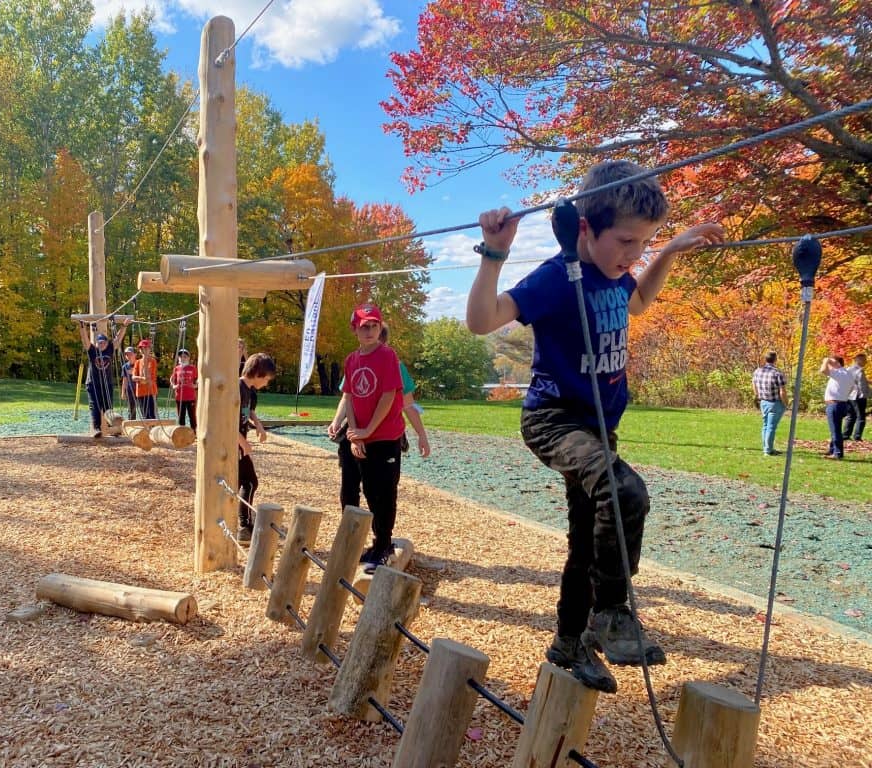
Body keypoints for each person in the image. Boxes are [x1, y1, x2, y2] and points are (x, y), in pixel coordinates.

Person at [465, 160, 724, 693]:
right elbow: (481, 320)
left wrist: (670, 251)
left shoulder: (616, 274)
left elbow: (641, 301)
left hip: (601, 427)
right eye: (627, 241)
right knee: (624, 490)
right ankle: (611, 610)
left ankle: (568, 644)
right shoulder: (558, 277)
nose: (635, 255)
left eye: (644, 243)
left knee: (587, 542)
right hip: (554, 420)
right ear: (586, 228)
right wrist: (494, 253)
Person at [328, 303, 407, 575]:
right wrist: (353, 433)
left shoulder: (387, 356)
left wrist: (368, 430)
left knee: (381, 493)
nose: (370, 330)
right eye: (364, 326)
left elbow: (388, 397)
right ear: (355, 329)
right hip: (358, 436)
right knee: (350, 490)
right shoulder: (352, 360)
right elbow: (349, 396)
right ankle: (351, 541)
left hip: (384, 437)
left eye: (374, 325)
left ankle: (382, 545)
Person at [330, 324, 431, 458]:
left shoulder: (395, 365)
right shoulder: (356, 362)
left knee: (381, 477)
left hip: (385, 434)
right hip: (357, 430)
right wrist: (336, 422)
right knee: (351, 475)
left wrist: (422, 435)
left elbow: (408, 405)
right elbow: (347, 397)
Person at [237, 353, 276, 544]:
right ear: (259, 374)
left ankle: (241, 524)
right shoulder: (237, 388)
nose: (266, 384)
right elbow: (228, 420)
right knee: (250, 482)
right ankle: (244, 527)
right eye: (267, 379)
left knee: (240, 483)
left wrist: (258, 425)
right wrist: (243, 443)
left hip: (239, 443)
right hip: (232, 444)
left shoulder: (249, 390)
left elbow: (249, 410)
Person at [78, 319, 130, 438]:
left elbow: (118, 339)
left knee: (108, 406)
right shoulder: (92, 351)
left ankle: (112, 428)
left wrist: (124, 326)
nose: (101, 344)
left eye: (103, 342)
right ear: (96, 343)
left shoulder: (110, 349)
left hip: (107, 383)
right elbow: (85, 340)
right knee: (95, 405)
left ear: (107, 343)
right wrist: (82, 327)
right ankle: (96, 428)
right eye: (99, 343)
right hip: (93, 384)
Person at [751, 351, 788, 456]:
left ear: (765, 359)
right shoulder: (777, 373)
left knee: (765, 425)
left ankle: (766, 448)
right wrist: (786, 402)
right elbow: (782, 391)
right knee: (771, 427)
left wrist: (757, 395)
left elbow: (754, 384)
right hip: (775, 403)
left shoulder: (758, 371)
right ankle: (768, 450)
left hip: (763, 401)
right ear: (775, 359)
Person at [820, 355, 856, 459]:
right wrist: (843, 396)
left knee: (835, 430)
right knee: (835, 428)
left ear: (838, 363)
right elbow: (853, 387)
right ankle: (832, 449)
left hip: (834, 404)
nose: (829, 365)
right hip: (842, 403)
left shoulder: (839, 372)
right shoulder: (847, 373)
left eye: (831, 363)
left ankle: (837, 453)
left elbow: (823, 370)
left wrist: (825, 360)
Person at [170, 349, 198, 430]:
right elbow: (172, 379)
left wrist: (195, 385)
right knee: (181, 417)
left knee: (192, 416)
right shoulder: (176, 368)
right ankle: (182, 433)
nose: (183, 358)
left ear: (188, 358)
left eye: (185, 357)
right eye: (181, 357)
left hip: (190, 397)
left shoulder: (192, 368)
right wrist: (173, 386)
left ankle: (194, 433)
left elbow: (198, 380)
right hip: (179, 397)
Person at [842, 352, 868, 442]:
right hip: (858, 396)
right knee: (861, 417)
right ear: (858, 360)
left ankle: (845, 435)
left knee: (851, 416)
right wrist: (865, 395)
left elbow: (852, 381)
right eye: (864, 360)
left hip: (849, 395)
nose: (866, 362)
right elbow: (862, 386)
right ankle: (857, 436)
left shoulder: (848, 369)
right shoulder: (860, 370)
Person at [132, 338, 158, 420]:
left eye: (146, 348)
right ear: (140, 350)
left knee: (152, 415)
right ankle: (146, 431)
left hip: (151, 391)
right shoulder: (138, 362)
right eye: (142, 348)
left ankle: (153, 431)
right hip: (140, 392)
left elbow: (151, 378)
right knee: (144, 415)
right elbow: (133, 377)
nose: (144, 350)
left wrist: (142, 379)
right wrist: (142, 378)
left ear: (149, 349)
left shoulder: (152, 361)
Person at [120, 346, 138, 421]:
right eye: (127, 354)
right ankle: (131, 424)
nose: (128, 356)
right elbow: (124, 380)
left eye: (130, 354)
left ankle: (147, 424)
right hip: (130, 391)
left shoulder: (139, 364)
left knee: (144, 408)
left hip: (140, 390)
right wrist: (123, 392)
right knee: (131, 409)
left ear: (135, 354)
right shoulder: (125, 367)